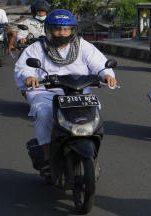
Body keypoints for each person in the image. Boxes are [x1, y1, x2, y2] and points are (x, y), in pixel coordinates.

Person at [14, 9, 117, 166]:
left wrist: (106, 75)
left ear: (72, 30)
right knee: (44, 113)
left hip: (79, 91)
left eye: (66, 29)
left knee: (95, 114)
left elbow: (99, 63)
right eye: (57, 29)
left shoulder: (83, 46)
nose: (62, 33)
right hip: (46, 92)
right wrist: (29, 77)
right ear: (49, 29)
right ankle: (48, 157)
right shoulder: (37, 47)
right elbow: (24, 67)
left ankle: (90, 151)